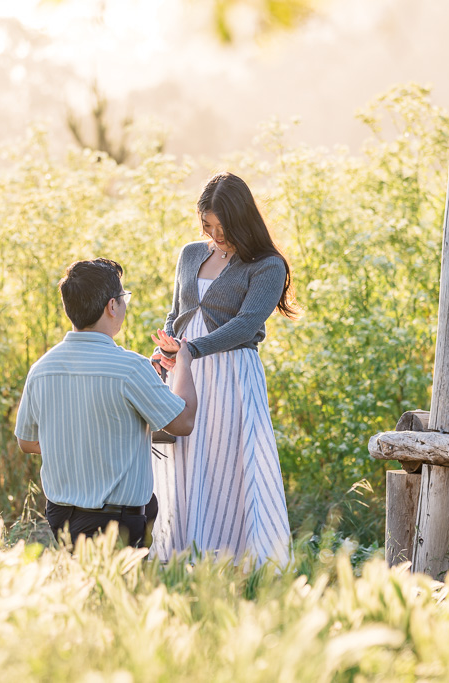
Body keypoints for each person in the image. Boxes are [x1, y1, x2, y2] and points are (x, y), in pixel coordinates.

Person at [150, 172, 297, 567]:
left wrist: (191, 350)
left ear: (242, 220)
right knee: (185, 453)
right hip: (184, 369)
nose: (214, 235)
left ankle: (237, 556)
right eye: (207, 226)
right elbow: (177, 312)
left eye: (222, 227)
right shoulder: (189, 254)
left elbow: (248, 323)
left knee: (229, 458)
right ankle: (182, 552)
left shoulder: (267, 266)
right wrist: (167, 348)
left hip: (231, 372)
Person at [15, 258, 197, 548]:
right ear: (112, 306)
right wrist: (185, 361)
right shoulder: (130, 368)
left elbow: (27, 442)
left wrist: (79, 444)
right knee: (123, 592)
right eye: (124, 298)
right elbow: (184, 421)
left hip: (61, 518)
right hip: (118, 523)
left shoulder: (42, 368)